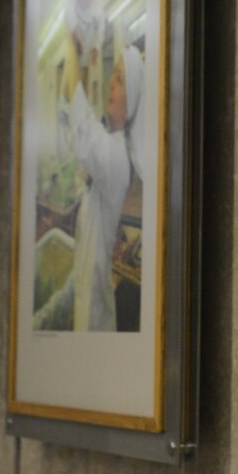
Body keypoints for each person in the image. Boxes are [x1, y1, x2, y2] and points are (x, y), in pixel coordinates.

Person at [34, 41, 146, 332]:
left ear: (134, 96)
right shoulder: (112, 148)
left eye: (120, 79)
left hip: (99, 321)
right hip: (87, 301)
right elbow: (71, 114)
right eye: (113, 75)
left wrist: (74, 43)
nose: (111, 83)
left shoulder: (119, 158)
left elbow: (79, 120)